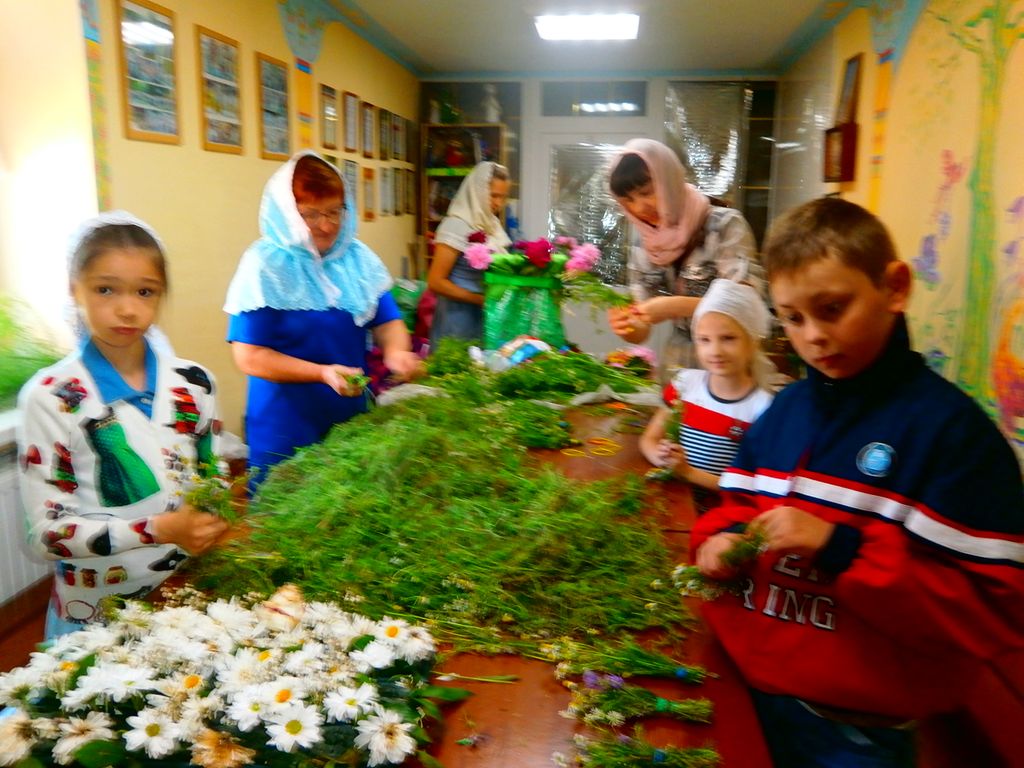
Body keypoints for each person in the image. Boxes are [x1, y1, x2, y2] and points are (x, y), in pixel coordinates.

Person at [691, 197, 1024, 767]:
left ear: (894, 288)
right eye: (793, 318)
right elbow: (736, 508)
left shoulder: (953, 436)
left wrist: (840, 548)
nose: (813, 336)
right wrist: (717, 543)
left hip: (856, 730)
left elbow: (991, 612)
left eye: (832, 308)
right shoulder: (785, 410)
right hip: (751, 688)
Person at [16, 212, 229, 639]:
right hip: (94, 613)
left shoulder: (195, 383)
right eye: (105, 289)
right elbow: (47, 535)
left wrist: (211, 517)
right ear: (74, 289)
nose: (128, 309)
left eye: (145, 291)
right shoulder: (51, 396)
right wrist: (159, 529)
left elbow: (214, 476)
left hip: (183, 598)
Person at [224, 151, 422, 485]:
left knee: (348, 502)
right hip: (285, 424)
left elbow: (387, 320)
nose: (327, 225)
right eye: (311, 215)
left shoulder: (357, 259)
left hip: (349, 418)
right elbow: (250, 357)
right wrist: (321, 373)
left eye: (334, 211)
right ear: (287, 213)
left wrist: (396, 352)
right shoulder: (264, 266)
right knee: (286, 506)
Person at [606, 138, 763, 375]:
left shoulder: (723, 224)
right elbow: (641, 330)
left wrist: (674, 307)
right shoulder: (645, 244)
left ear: (669, 182)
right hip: (680, 366)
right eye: (628, 200)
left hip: (733, 365)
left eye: (646, 193)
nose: (639, 208)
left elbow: (746, 303)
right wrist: (628, 326)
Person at [639, 279, 773, 511]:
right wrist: (661, 456)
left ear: (753, 342)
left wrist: (688, 472)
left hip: (721, 515)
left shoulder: (763, 408)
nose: (715, 351)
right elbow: (649, 439)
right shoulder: (684, 385)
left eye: (728, 338)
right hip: (673, 503)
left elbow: (753, 485)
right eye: (704, 340)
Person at [426, 161, 511, 344]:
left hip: (483, 320)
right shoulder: (455, 226)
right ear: (477, 191)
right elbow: (436, 282)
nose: (498, 203)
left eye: (503, 197)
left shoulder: (491, 225)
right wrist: (479, 299)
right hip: (457, 323)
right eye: (493, 195)